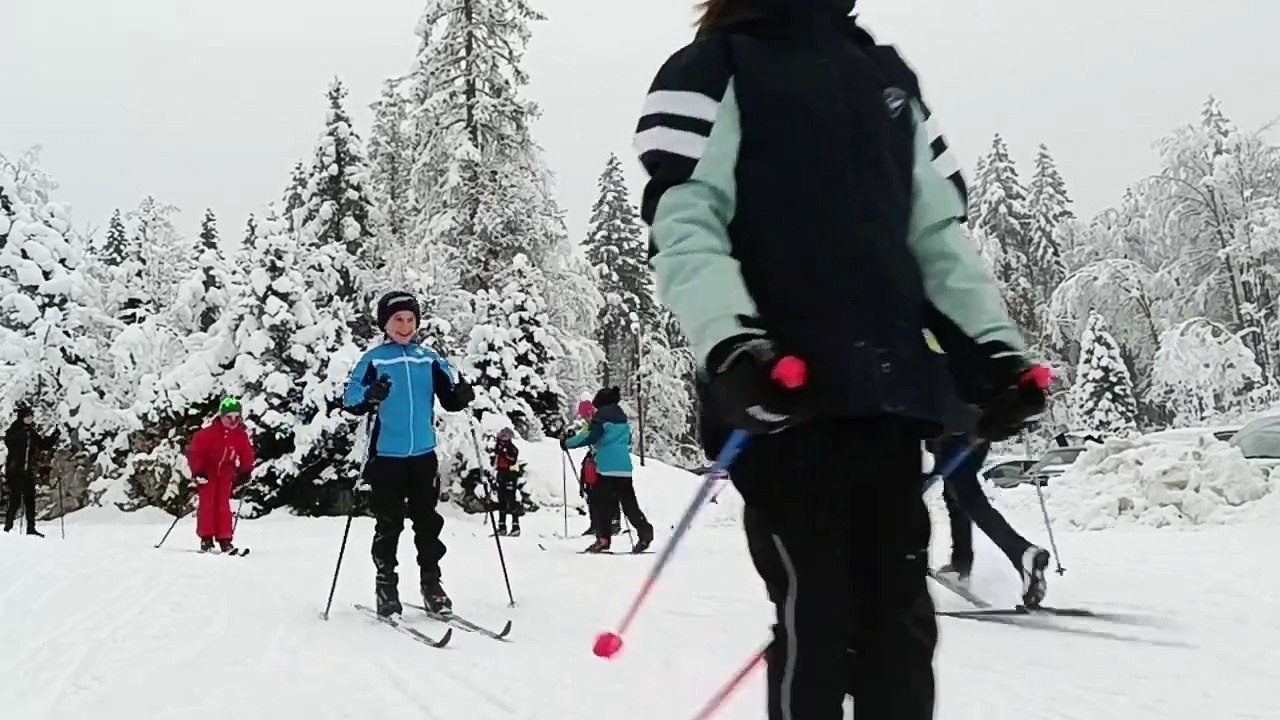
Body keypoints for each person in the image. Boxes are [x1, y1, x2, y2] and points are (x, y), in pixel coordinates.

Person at [634, 2, 1051, 718]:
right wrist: (734, 343)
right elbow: (688, 219)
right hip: (785, 393)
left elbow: (935, 235)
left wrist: (993, 351)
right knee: (820, 616)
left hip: (886, 398)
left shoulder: (885, 77)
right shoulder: (718, 65)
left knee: (901, 628)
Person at [344, 290, 475, 618]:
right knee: (388, 523)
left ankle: (432, 583)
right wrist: (370, 395)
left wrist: (460, 395)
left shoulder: (428, 359)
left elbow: (448, 397)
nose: (404, 326)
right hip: (387, 456)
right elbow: (351, 398)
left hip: (423, 456)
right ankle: (386, 585)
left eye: (410, 319)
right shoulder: (374, 359)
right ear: (385, 325)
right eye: (397, 320)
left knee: (427, 522)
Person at [931, 382, 1051, 608]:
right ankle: (960, 565)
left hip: (955, 427)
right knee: (958, 492)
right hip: (980, 425)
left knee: (965, 494)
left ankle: (1022, 552)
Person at [562, 387, 653, 554]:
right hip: (624, 469)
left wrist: (568, 442)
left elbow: (591, 436)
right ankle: (645, 532)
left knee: (601, 504)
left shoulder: (601, 418)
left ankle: (603, 539)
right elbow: (627, 443)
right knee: (629, 503)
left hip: (604, 469)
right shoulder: (622, 420)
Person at [186, 397, 255, 553]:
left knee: (223, 505)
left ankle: (225, 539)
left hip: (225, 472)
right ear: (221, 416)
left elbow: (247, 453)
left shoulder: (240, 435)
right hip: (208, 473)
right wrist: (198, 471)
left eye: (237, 417)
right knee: (207, 504)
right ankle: (206, 538)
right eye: (229, 417)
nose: (233, 421)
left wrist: (245, 470)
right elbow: (196, 453)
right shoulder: (207, 434)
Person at [570, 400, 621, 537]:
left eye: (587, 415)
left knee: (610, 492)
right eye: (584, 416)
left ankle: (614, 522)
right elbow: (583, 436)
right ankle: (595, 524)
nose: (586, 419)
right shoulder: (590, 425)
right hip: (596, 459)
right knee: (592, 491)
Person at [4, 405, 53, 537]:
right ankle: (8, 526)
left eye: (31, 417)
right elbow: (8, 441)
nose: (30, 419)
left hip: (28, 471)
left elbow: (42, 445)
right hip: (16, 470)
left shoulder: (31, 432)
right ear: (22, 418)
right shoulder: (14, 430)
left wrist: (54, 437)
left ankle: (31, 527)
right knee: (15, 499)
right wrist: (22, 436)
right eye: (28, 417)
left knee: (30, 500)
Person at [492, 427, 523, 537]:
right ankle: (502, 526)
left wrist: (504, 453)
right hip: (501, 474)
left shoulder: (512, 448)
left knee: (511, 501)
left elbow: (512, 460)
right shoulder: (499, 447)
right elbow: (495, 459)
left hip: (510, 475)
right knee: (502, 502)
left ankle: (515, 526)